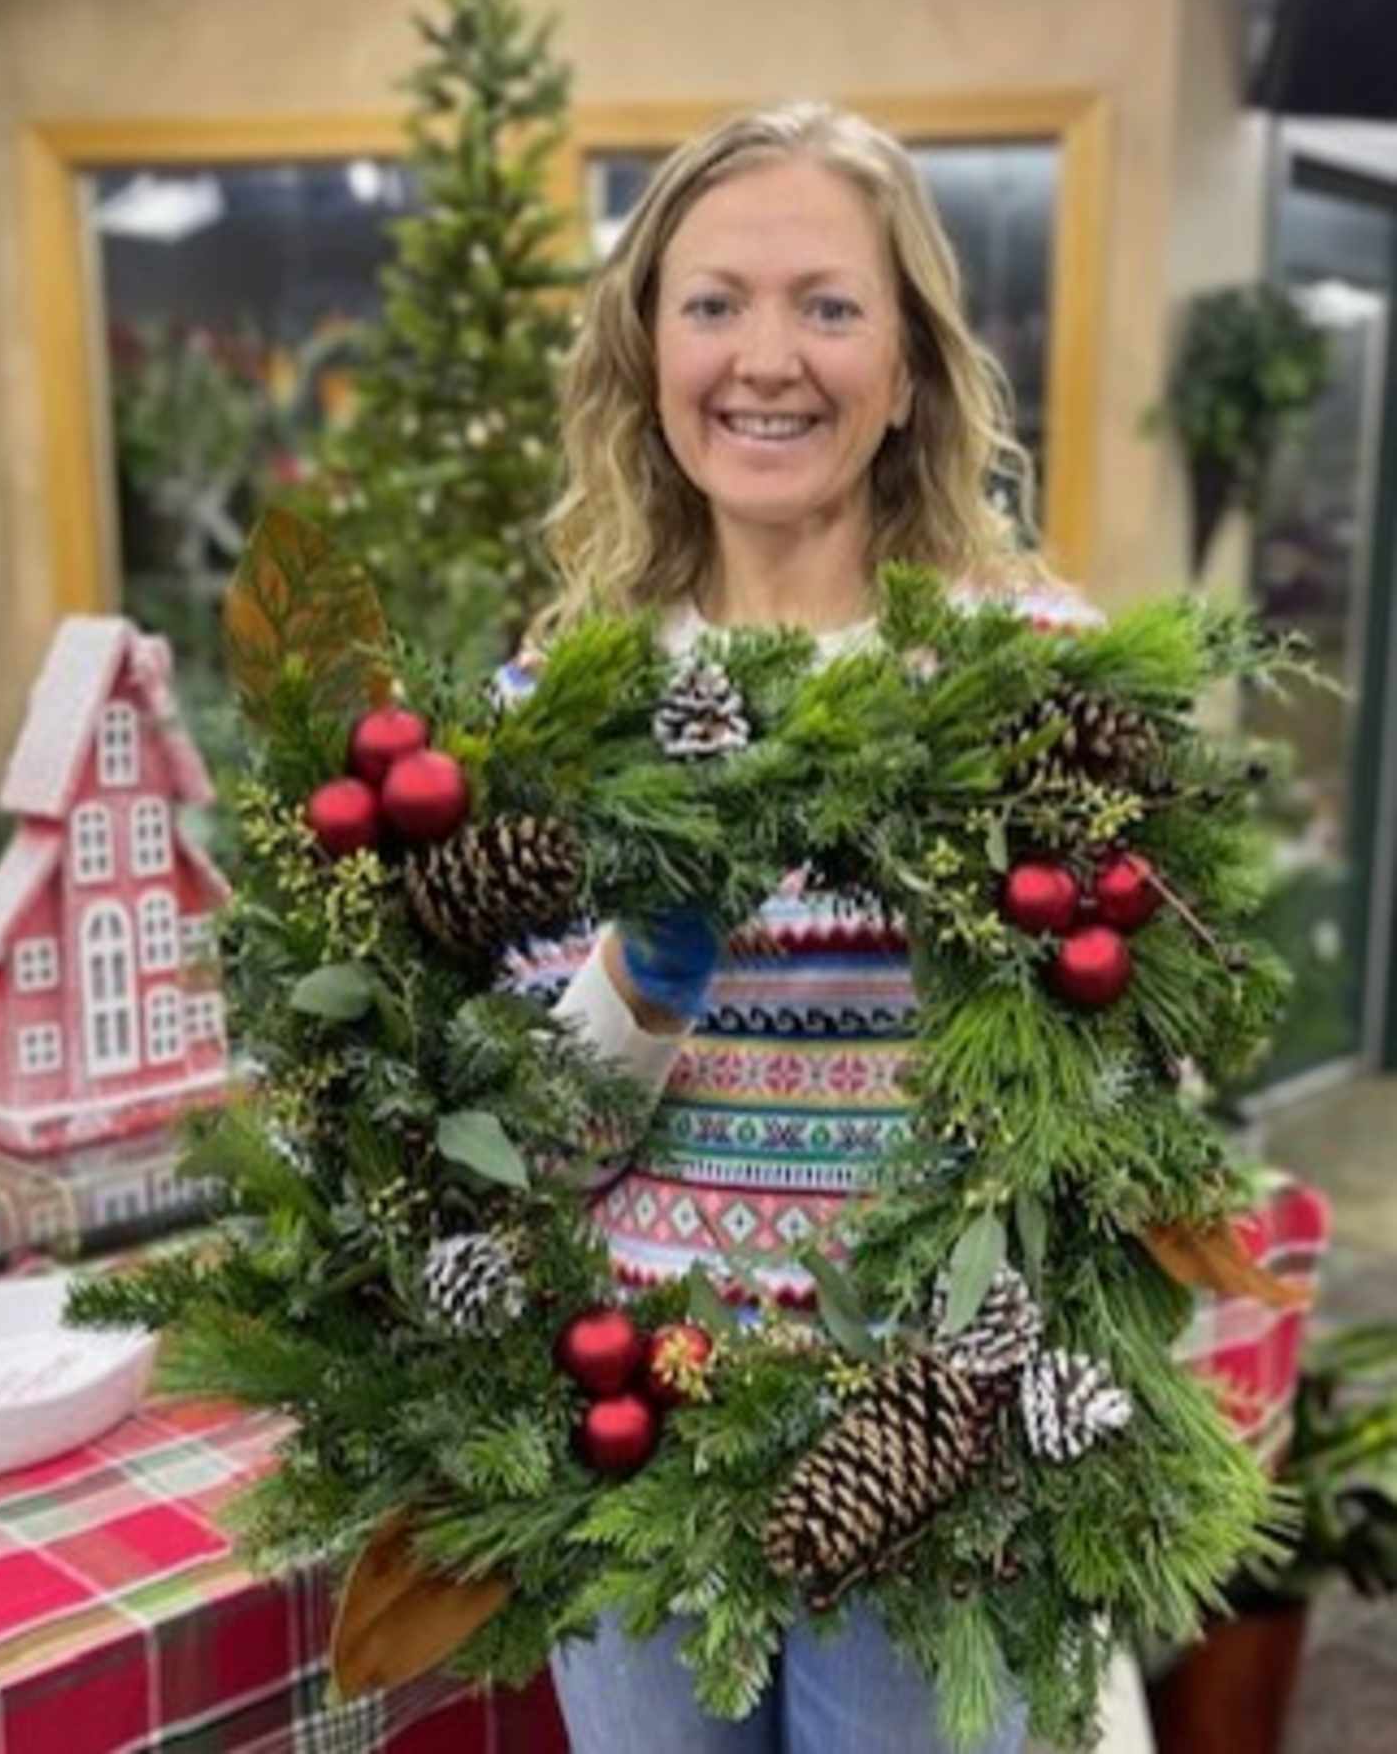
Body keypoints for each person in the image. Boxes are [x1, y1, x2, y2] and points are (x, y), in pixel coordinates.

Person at [501, 103, 1088, 1754]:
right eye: (714, 303)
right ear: (647, 355)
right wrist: (650, 961)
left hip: (930, 1432)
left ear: (907, 370)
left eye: (829, 305)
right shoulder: (563, 707)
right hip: (633, 1419)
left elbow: (1130, 1079)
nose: (769, 357)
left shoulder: (1032, 678)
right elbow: (533, 1153)